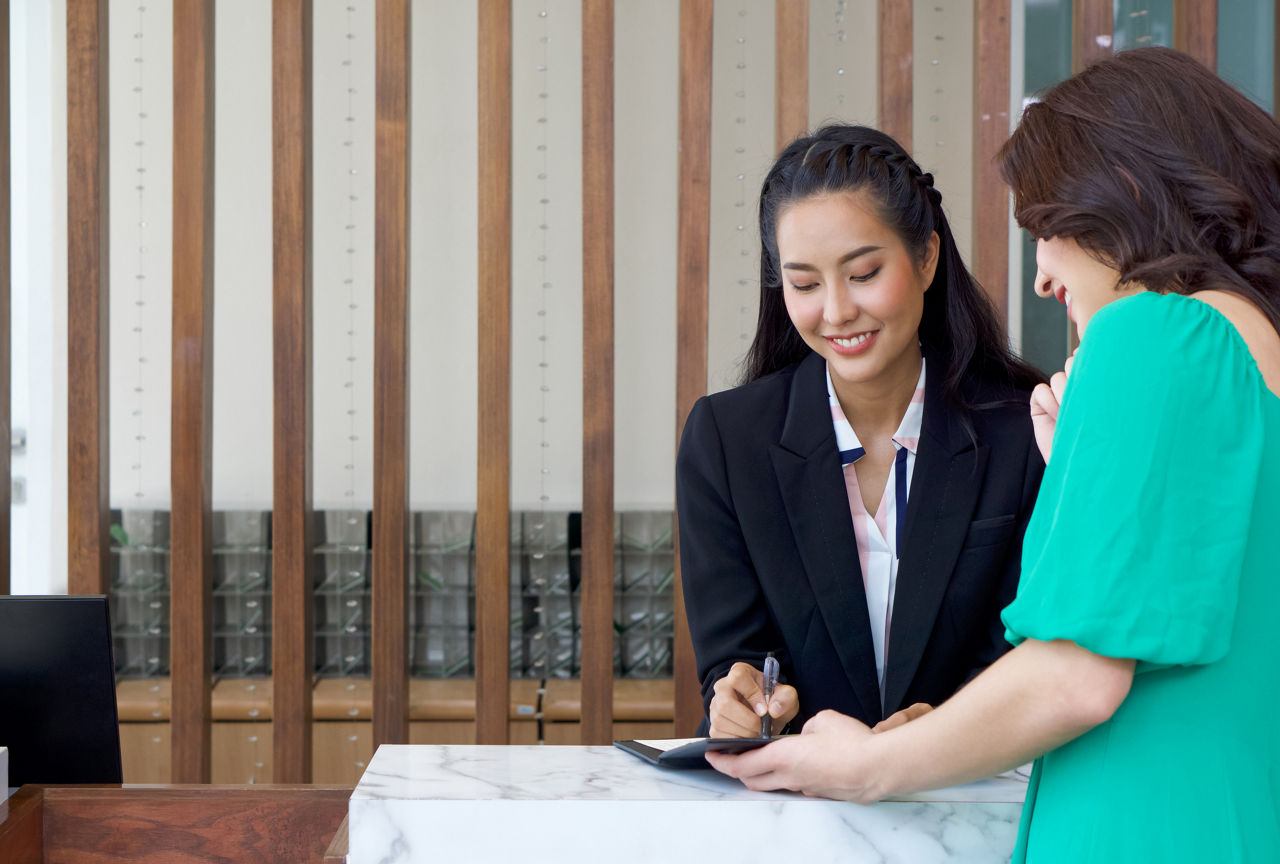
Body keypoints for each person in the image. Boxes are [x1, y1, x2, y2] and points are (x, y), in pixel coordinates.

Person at [706, 46, 1280, 863]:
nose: (1042, 275)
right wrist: (1076, 455)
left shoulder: (1151, 333)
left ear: (1119, 194)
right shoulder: (1249, 349)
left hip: (1143, 828)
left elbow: (1076, 677)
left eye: (1044, 227)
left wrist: (866, 765)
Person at [676, 124, 1045, 739]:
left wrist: (945, 728)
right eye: (805, 283)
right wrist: (740, 700)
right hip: (802, 813)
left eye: (864, 272)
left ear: (926, 258)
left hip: (972, 800)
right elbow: (734, 660)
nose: (837, 310)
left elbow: (1035, 655)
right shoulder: (726, 441)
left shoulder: (1021, 429)